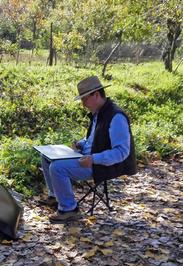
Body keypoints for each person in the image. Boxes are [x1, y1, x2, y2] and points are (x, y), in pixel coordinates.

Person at [40, 76, 137, 223]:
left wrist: (93, 159)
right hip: (89, 158)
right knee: (46, 157)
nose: (83, 104)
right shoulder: (99, 113)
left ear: (96, 95)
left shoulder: (116, 116)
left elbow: (122, 152)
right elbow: (94, 139)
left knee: (57, 167)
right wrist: (81, 144)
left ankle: (69, 210)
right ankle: (55, 197)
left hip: (102, 165)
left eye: (84, 99)